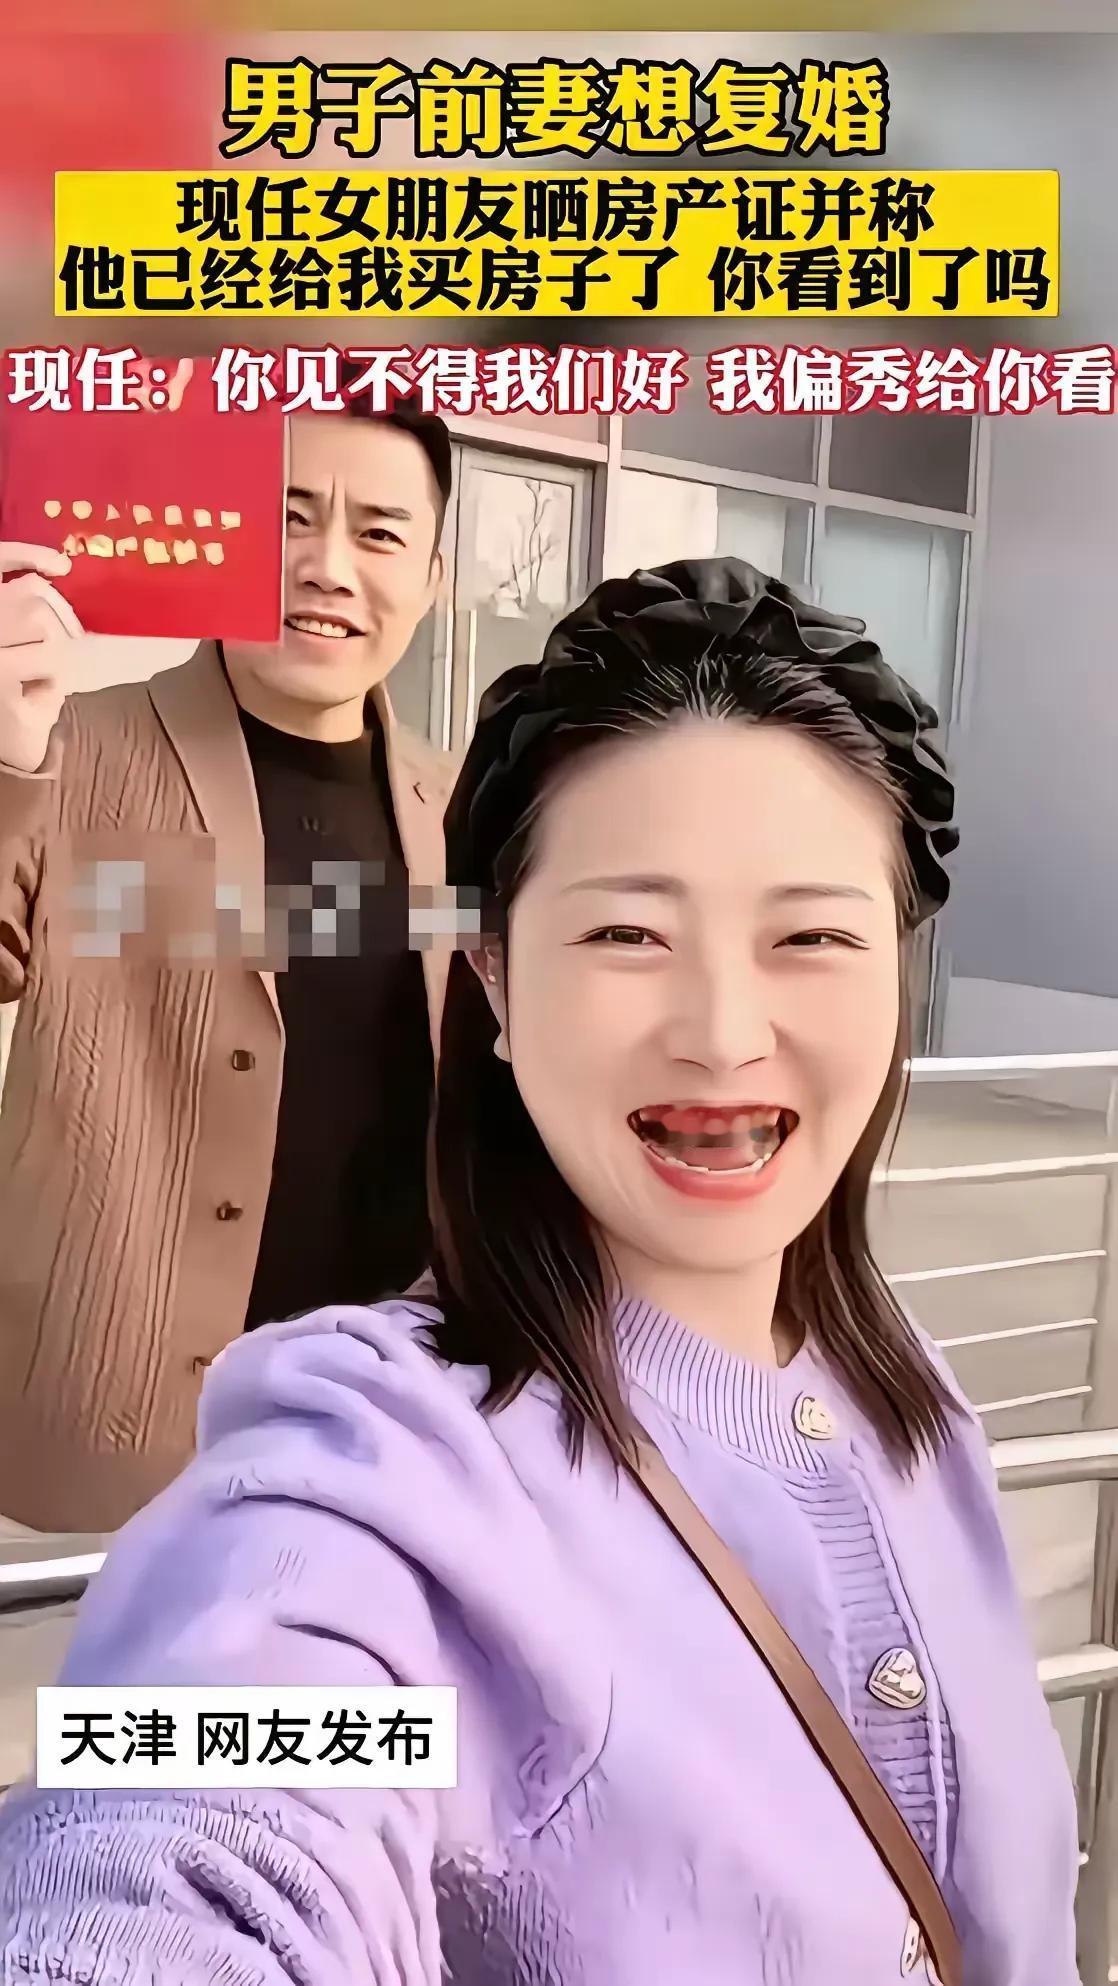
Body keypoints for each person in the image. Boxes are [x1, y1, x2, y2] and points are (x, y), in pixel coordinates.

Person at [0, 562, 1079, 1983]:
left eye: (811, 936)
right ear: (496, 978)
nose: (721, 1033)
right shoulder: (382, 1479)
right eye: (626, 933)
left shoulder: (914, 1402)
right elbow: (185, 1826)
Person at [0, 392, 457, 1534]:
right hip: (120, 1442)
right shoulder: (68, 744)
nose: (328, 567)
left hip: (382, 1438)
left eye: (379, 533)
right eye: (287, 517)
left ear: (432, 580)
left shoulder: (458, 808)